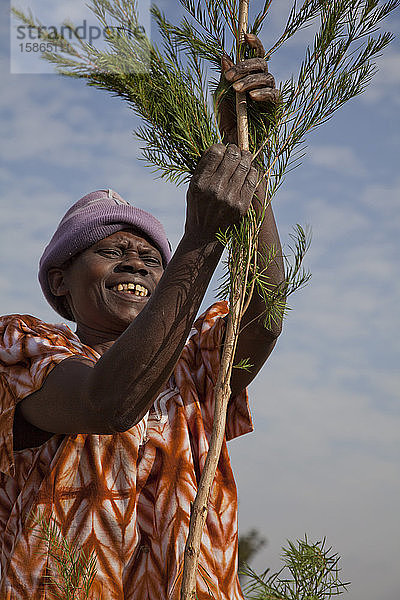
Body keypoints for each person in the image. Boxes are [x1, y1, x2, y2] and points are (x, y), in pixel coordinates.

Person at [0, 38, 284, 600]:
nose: (136, 261)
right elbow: (108, 403)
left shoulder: (195, 363)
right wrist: (200, 240)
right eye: (111, 251)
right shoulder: (21, 348)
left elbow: (265, 314)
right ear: (60, 282)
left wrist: (243, 159)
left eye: (153, 257)